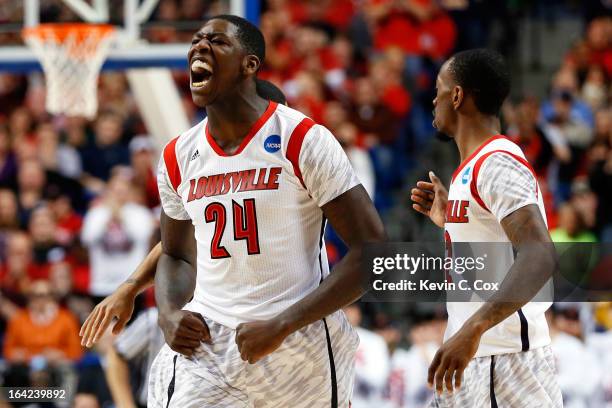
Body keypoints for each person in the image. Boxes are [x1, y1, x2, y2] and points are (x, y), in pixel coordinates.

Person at [86, 15, 385, 407]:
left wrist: (283, 324)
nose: (200, 46)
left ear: (250, 65)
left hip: (298, 340)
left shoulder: (301, 140)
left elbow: (374, 251)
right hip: (210, 342)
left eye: (217, 41)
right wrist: (169, 314)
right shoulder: (178, 156)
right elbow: (176, 252)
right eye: (195, 40)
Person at [79, 79, 290, 345]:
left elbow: (359, 250)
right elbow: (176, 243)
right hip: (222, 317)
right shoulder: (207, 168)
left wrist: (287, 322)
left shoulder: (298, 169)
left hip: (283, 316)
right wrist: (131, 288)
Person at [410, 49, 562, 406]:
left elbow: (539, 253)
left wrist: (474, 328)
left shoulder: (497, 162)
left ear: (458, 95)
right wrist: (452, 221)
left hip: (505, 360)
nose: (434, 99)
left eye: (440, 89)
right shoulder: (472, 168)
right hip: (477, 355)